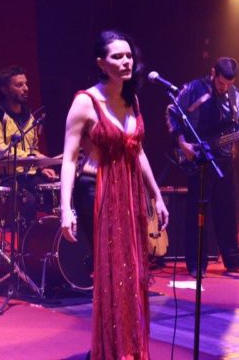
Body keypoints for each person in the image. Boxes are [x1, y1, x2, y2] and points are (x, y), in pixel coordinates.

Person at [60, 30, 169, 359]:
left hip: (131, 194)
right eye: (117, 57)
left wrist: (157, 195)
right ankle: (110, 350)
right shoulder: (86, 101)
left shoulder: (131, 99)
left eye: (128, 56)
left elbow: (138, 152)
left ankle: (130, 347)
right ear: (100, 63)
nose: (125, 62)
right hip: (99, 193)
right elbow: (68, 159)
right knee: (112, 275)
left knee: (134, 273)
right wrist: (66, 209)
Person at [166, 57, 239, 278]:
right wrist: (182, 143)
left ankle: (233, 259)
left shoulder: (236, 97)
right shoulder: (194, 89)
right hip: (199, 157)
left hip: (223, 159)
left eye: (229, 84)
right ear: (213, 73)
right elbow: (171, 112)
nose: (225, 88)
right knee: (198, 212)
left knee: (228, 209)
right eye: (221, 83)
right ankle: (196, 264)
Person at [0, 65, 57, 228]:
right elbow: (0, 149)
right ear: (5, 89)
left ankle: (48, 246)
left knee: (55, 192)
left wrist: (42, 167)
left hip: (27, 174)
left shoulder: (29, 116)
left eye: (26, 84)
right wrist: (34, 158)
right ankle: (22, 248)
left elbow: (32, 149)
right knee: (27, 201)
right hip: (5, 176)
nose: (25, 88)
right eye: (19, 85)